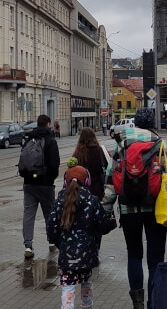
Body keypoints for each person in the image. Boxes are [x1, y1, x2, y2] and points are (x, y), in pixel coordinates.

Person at [102, 107, 167, 309]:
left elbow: (111, 179)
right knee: (155, 259)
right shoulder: (162, 144)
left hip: (129, 210)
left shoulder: (121, 145)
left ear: (136, 124)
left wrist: (105, 207)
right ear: (152, 124)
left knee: (134, 254)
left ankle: (137, 303)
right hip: (157, 209)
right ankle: (153, 302)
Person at [47, 164, 117, 309]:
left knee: (68, 286)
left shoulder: (60, 201)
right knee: (86, 282)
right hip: (87, 254)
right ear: (87, 182)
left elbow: (51, 228)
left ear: (65, 182)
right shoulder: (92, 201)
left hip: (66, 254)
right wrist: (111, 221)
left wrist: (58, 242)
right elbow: (102, 226)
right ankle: (87, 306)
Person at [22, 113, 60, 259]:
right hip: (45, 184)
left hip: (29, 183)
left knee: (28, 214)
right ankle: (51, 242)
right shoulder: (50, 140)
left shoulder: (28, 139)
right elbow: (55, 164)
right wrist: (50, 178)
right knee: (49, 213)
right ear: (48, 124)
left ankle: (28, 246)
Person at [71, 127, 107, 199]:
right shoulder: (99, 150)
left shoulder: (78, 152)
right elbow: (106, 165)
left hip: (82, 189)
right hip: (97, 187)